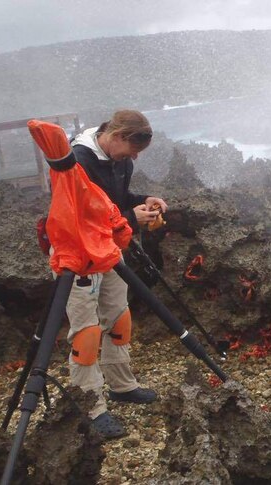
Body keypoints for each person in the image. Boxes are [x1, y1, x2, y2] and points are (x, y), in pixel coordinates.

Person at [64, 109, 168, 439]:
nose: (135, 157)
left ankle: (122, 386)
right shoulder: (77, 161)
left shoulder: (120, 159)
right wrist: (129, 217)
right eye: (133, 149)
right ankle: (90, 406)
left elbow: (114, 202)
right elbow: (79, 216)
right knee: (86, 331)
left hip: (109, 250)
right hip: (78, 254)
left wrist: (143, 202)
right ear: (118, 136)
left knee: (118, 318)